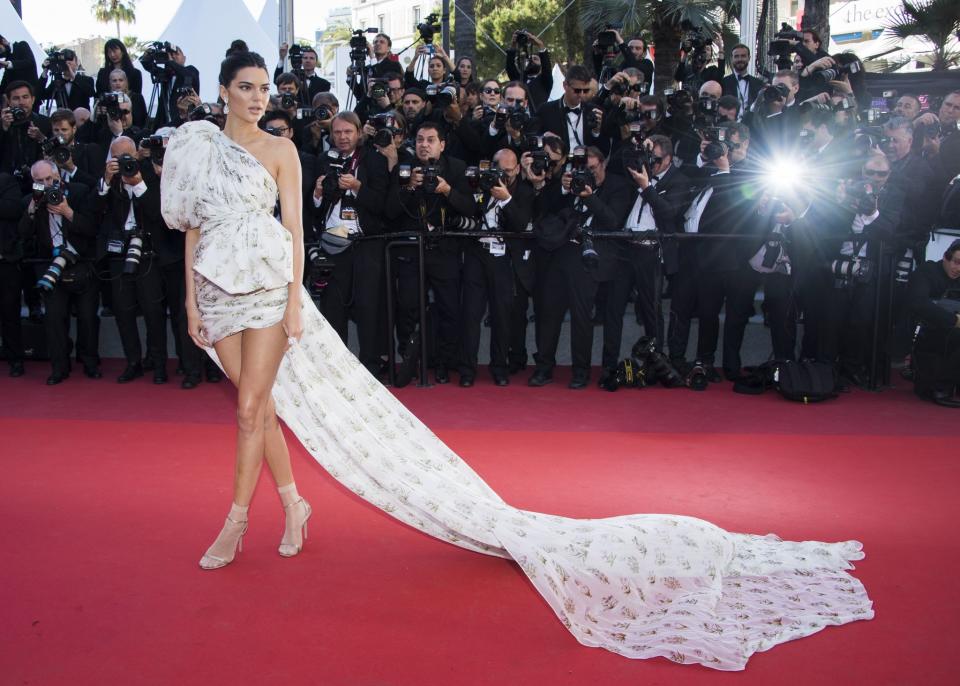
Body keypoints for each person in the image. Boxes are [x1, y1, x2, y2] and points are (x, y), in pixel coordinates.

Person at [160, 49, 874, 672]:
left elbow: (294, 232)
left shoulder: (283, 151)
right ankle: (294, 503)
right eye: (246, 87)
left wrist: (292, 306)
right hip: (216, 292)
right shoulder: (195, 145)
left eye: (263, 87)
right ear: (224, 91)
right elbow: (191, 224)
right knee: (269, 408)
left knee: (252, 407)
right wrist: (191, 302)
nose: (258, 97)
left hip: (268, 291)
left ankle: (235, 518)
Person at [908, 240, 960, 407]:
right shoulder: (926, 271)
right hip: (928, 336)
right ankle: (941, 387)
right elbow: (918, 303)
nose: (958, 268)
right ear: (946, 257)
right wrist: (954, 320)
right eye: (956, 262)